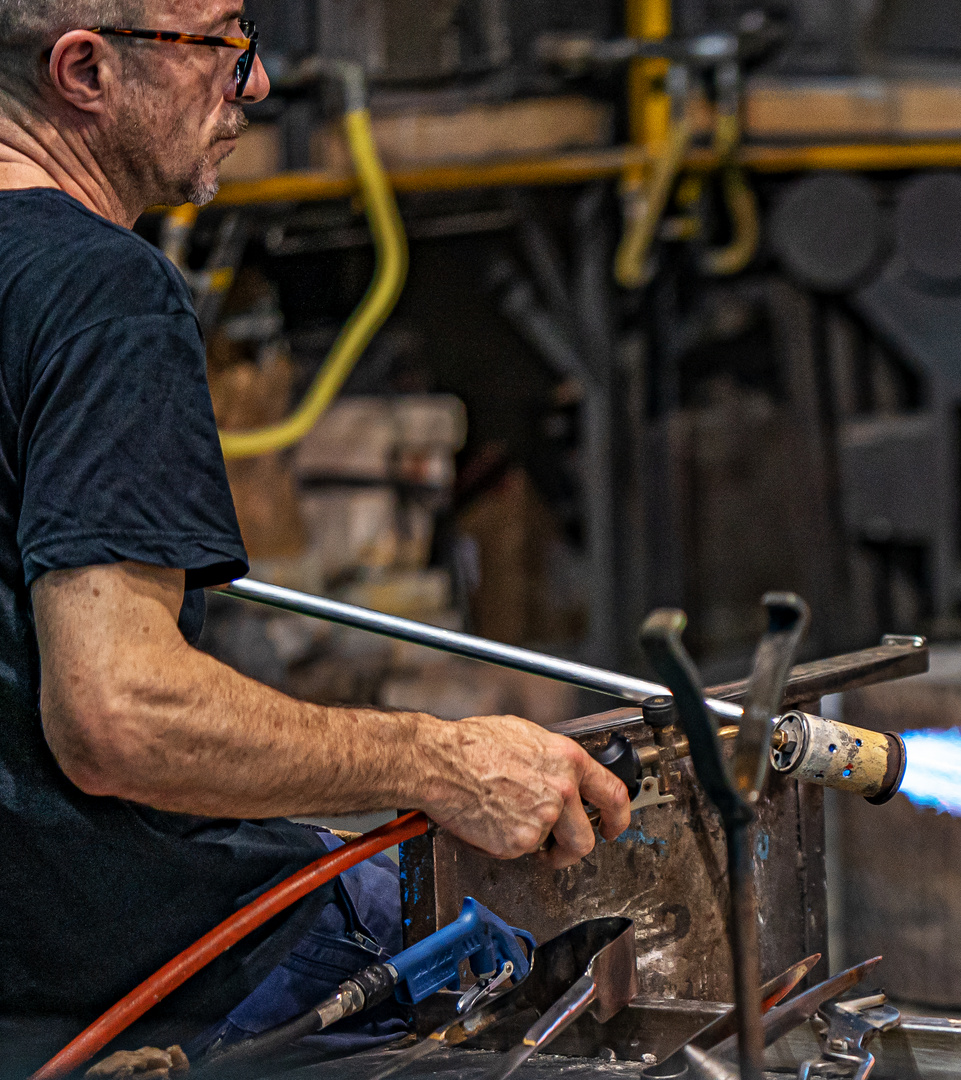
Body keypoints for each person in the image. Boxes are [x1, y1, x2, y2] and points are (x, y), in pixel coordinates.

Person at [0, 0, 632, 1070]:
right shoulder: (102, 297)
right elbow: (120, 717)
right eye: (218, 45)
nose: (251, 85)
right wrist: (440, 762)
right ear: (85, 71)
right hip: (130, 982)